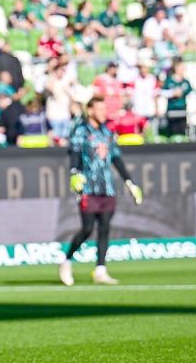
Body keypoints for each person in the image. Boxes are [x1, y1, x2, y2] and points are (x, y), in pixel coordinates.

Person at [59, 97, 143, 286]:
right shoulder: (81, 131)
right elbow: (73, 154)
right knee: (88, 228)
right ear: (90, 111)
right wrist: (74, 173)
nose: (103, 112)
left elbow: (116, 159)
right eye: (99, 108)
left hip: (107, 187)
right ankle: (66, 261)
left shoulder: (107, 132)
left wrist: (129, 182)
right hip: (88, 186)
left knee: (105, 227)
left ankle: (100, 269)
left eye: (104, 109)